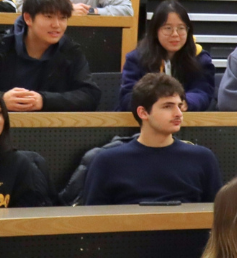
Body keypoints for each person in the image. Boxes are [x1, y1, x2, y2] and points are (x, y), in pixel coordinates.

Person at [84, 74, 222, 205]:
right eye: (167, 106)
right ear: (143, 112)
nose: (178, 114)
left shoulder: (202, 159)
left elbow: (218, 214)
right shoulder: (107, 162)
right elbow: (93, 216)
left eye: (179, 106)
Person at [121, 0, 216, 110]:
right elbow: (127, 96)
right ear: (155, 31)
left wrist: (186, 102)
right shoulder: (137, 58)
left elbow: (204, 92)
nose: (175, 34)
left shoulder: (200, 58)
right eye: (168, 28)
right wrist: (158, 103)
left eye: (181, 28)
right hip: (146, 117)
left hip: (185, 116)